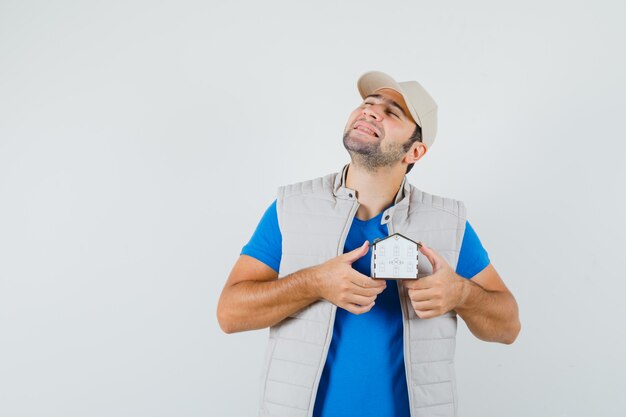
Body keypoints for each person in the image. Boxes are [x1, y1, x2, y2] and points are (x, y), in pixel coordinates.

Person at [217, 70, 521, 417]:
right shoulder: (292, 207)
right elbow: (229, 314)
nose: (371, 111)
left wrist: (462, 294)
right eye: (368, 103)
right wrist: (314, 283)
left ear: (415, 151)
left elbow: (508, 326)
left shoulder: (447, 222)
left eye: (393, 112)